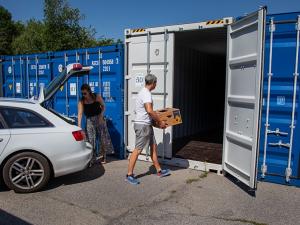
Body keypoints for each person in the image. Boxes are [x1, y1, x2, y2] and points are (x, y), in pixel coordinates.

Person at [126, 74, 171, 185]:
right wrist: (160, 122)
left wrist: (155, 122)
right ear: (153, 83)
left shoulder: (143, 92)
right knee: (138, 150)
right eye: (156, 83)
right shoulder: (146, 94)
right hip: (143, 126)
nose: (156, 85)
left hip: (146, 125)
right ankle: (129, 174)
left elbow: (147, 113)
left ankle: (159, 171)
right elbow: (150, 111)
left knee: (153, 147)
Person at [78, 84, 114, 164]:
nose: (84, 95)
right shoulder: (82, 101)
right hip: (89, 121)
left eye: (85, 93)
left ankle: (104, 156)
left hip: (99, 119)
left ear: (89, 91)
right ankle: (92, 158)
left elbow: (103, 106)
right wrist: (79, 126)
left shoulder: (96, 97)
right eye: (82, 93)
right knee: (91, 140)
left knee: (103, 138)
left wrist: (101, 115)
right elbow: (80, 114)